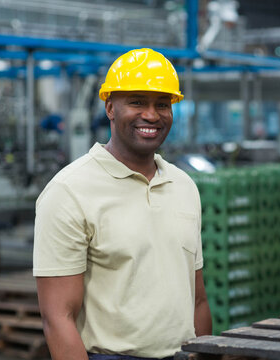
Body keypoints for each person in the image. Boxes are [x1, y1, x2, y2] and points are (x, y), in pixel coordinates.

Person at [33, 48, 212, 360]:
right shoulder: (68, 191)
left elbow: (197, 300)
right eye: (137, 102)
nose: (152, 115)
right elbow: (57, 318)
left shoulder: (184, 187)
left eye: (163, 104)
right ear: (110, 108)